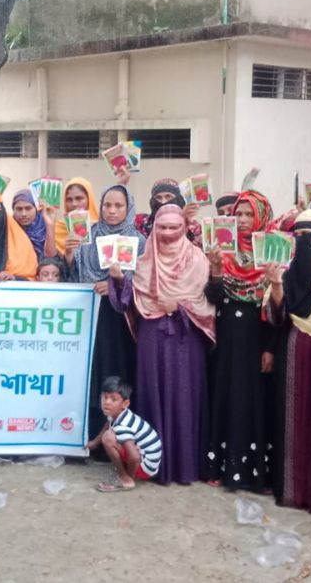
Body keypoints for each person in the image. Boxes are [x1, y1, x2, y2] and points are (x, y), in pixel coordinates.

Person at [107, 204, 214, 485]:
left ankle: (186, 466)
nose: (167, 233)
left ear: (184, 229)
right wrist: (117, 279)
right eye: (162, 227)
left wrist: (179, 306)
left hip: (187, 340)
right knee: (153, 395)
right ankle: (155, 467)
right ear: (154, 228)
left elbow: (210, 306)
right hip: (152, 340)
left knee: (185, 398)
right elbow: (125, 302)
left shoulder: (199, 260)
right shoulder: (143, 261)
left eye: (174, 228)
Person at [204, 190, 279, 492]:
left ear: (261, 217)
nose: (244, 220)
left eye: (250, 214)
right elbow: (212, 298)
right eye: (239, 214)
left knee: (253, 400)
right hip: (227, 337)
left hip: (257, 338)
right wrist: (218, 270)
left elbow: (279, 311)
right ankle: (221, 468)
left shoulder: (273, 253)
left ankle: (252, 473)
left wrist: (270, 349)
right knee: (225, 395)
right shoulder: (223, 251)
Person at [267, 209, 311, 513]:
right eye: (298, 235)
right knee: (291, 420)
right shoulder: (285, 270)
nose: (305, 241)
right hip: (294, 348)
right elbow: (276, 317)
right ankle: (292, 490)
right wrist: (277, 286)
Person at [66, 184, 143, 443]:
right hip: (92, 319)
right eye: (107, 205)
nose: (111, 211)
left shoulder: (139, 241)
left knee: (119, 371)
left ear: (128, 207)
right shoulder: (87, 236)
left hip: (122, 322)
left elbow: (144, 284)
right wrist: (69, 255)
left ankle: (119, 438)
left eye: (118, 206)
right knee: (93, 372)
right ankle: (90, 436)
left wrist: (115, 284)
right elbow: (74, 278)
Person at [86, 377, 162, 492]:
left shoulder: (122, 426)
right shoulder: (118, 414)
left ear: (125, 403)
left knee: (108, 438)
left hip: (146, 467)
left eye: (113, 399)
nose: (107, 402)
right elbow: (108, 423)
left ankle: (126, 480)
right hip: (147, 459)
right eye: (105, 397)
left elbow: (134, 457)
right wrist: (95, 442)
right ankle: (128, 474)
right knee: (110, 434)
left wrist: (128, 477)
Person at [53, 177, 98, 250]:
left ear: (89, 199)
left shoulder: (100, 227)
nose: (74, 204)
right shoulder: (58, 228)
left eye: (79, 198)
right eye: (69, 199)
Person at [10, 190, 56, 260]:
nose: (23, 214)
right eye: (19, 209)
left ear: (36, 209)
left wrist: (49, 225)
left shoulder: (45, 226)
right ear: (13, 210)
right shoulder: (10, 228)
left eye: (28, 208)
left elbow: (51, 256)